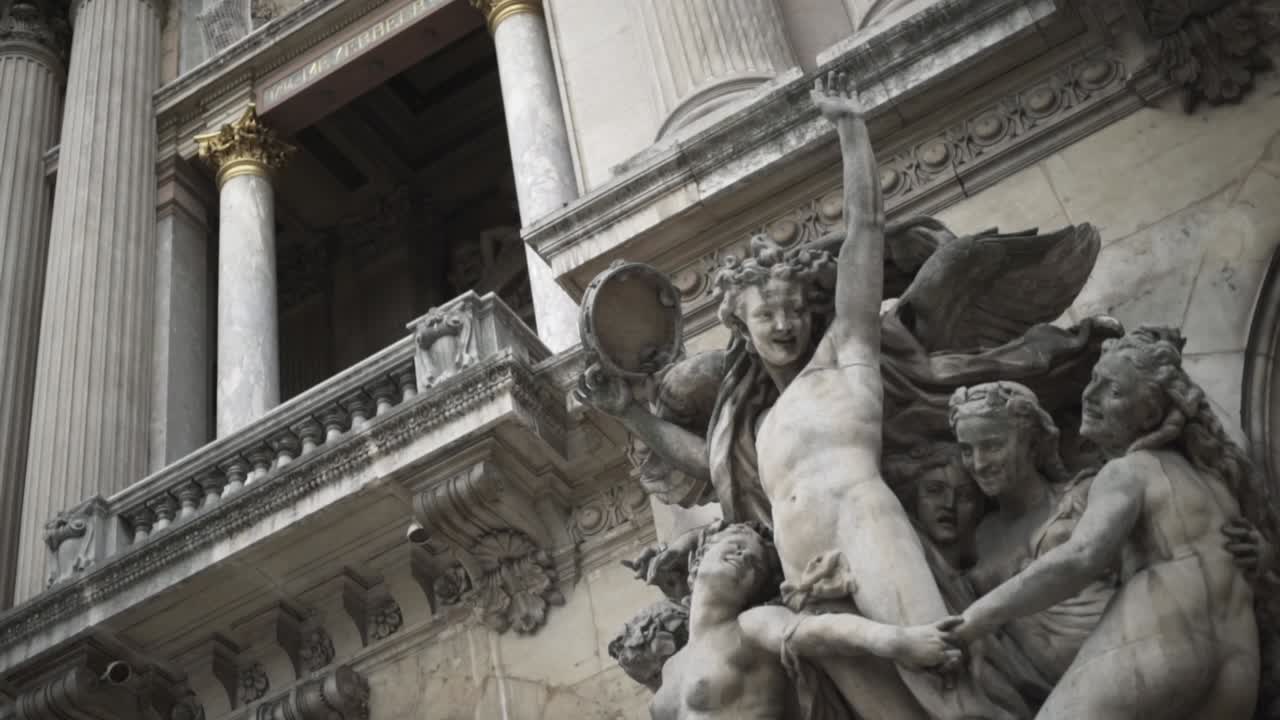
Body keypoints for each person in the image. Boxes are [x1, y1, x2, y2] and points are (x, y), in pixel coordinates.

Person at [948, 327, 1274, 719]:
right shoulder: (1213, 483)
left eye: (1114, 391)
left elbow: (1081, 557)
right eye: (1095, 382)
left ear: (1150, 413)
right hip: (1240, 665)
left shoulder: (1127, 471)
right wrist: (1267, 552)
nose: (1090, 397)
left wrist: (969, 623)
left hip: (1163, 637)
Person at [649, 523, 960, 720]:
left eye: (755, 565)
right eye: (735, 548)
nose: (745, 558)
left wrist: (898, 641)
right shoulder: (670, 667)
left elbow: (820, 630)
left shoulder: (749, 626)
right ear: (697, 560)